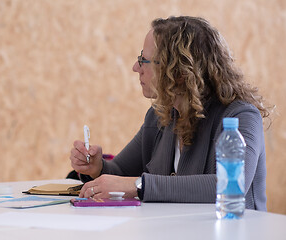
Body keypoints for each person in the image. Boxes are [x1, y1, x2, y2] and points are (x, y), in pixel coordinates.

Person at [69, 16, 271, 210]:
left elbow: (230, 185)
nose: (135, 68)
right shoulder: (159, 116)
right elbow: (120, 173)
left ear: (180, 72)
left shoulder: (241, 116)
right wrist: (97, 168)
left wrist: (140, 186)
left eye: (144, 60)